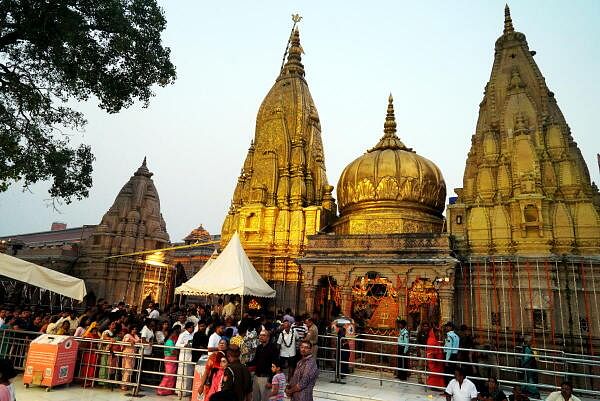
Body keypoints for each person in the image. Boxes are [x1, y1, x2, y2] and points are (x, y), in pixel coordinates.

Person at [248, 330, 278, 401]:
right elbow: (255, 361)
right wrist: (246, 364)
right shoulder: (259, 347)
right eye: (260, 335)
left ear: (268, 337)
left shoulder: (273, 348)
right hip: (256, 376)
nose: (261, 337)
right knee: (255, 398)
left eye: (263, 335)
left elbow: (275, 364)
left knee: (264, 398)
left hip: (266, 378)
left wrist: (271, 381)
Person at [157, 328, 180, 396]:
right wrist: (177, 353)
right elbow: (173, 351)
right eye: (175, 333)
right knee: (168, 375)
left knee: (171, 376)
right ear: (172, 333)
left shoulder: (170, 341)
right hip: (170, 359)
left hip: (171, 359)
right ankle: (161, 389)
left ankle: (168, 390)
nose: (176, 334)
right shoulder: (170, 341)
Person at [175, 321, 196, 396]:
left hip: (191, 355)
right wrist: (185, 345)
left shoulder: (194, 334)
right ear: (188, 328)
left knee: (189, 373)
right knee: (182, 372)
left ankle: (187, 391)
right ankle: (180, 391)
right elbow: (177, 345)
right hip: (184, 355)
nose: (193, 328)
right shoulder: (182, 335)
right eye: (192, 327)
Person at [121, 325, 141, 391]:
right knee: (127, 368)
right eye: (133, 329)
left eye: (135, 329)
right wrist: (131, 341)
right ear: (130, 329)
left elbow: (139, 341)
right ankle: (124, 385)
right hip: (127, 353)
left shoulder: (136, 336)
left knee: (131, 369)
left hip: (133, 353)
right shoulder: (127, 335)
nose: (134, 330)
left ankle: (127, 384)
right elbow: (126, 341)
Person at [140, 319, 156, 384]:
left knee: (145, 368)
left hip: (149, 351)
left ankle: (142, 382)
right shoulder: (145, 329)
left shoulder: (151, 330)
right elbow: (143, 340)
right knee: (141, 367)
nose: (153, 323)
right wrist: (149, 343)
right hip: (144, 351)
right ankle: (139, 382)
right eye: (152, 322)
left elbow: (152, 338)